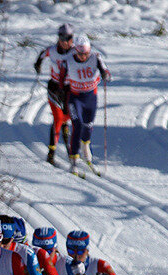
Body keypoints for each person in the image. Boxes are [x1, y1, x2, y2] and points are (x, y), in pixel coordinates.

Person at [61, 33, 111, 174]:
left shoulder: (96, 58)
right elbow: (61, 80)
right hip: (75, 98)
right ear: (75, 51)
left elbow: (105, 71)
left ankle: (85, 147)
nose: (84, 57)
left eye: (86, 54)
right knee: (77, 126)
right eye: (81, 54)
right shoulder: (68, 60)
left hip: (90, 97)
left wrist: (105, 75)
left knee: (88, 126)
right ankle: (74, 159)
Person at [34, 23, 74, 164]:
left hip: (70, 88)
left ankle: (70, 146)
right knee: (58, 118)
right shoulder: (52, 50)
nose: (65, 41)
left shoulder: (75, 52)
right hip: (55, 88)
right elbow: (41, 55)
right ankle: (51, 153)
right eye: (62, 38)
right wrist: (37, 65)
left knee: (68, 117)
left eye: (69, 38)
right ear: (58, 38)